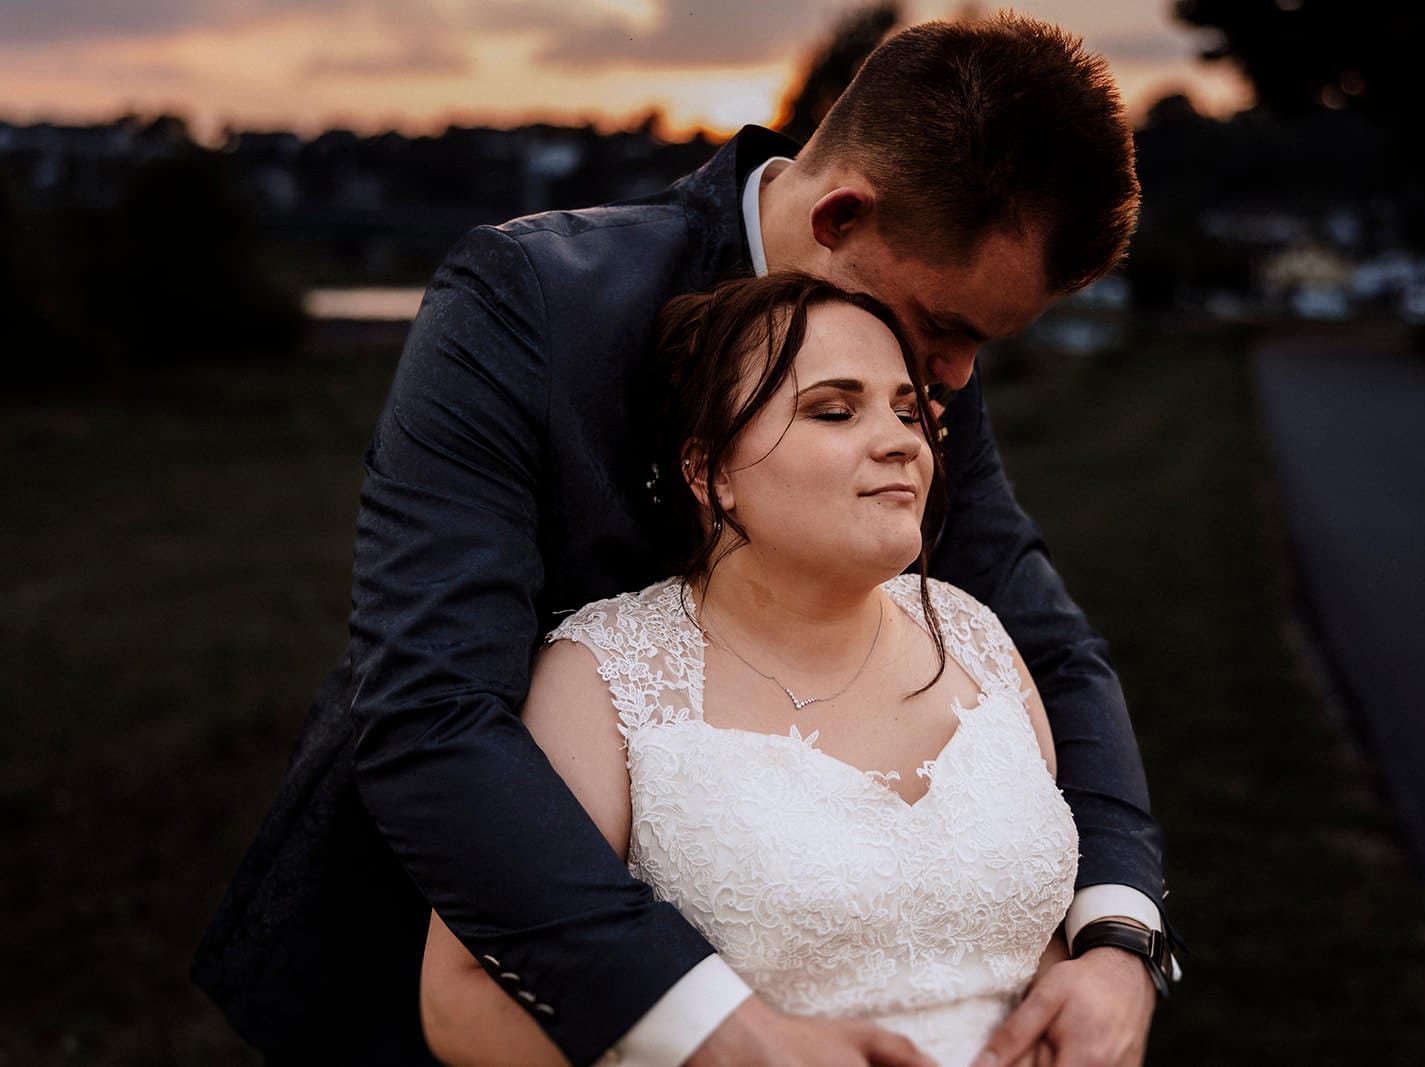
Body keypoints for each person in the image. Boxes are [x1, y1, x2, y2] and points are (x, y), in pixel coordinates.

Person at [192, 12, 1174, 1067]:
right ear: (842, 214)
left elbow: (1050, 648)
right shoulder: (529, 303)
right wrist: (710, 1023)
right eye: (947, 331)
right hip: (467, 970)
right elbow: (431, 709)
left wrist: (1120, 934)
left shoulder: (911, 354)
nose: (951, 384)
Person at [420, 270, 1082, 1067]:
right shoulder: (608, 678)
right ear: (711, 473)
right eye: (836, 410)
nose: (904, 439)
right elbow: (463, 997)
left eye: (909, 410)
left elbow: (1036, 939)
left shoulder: (976, 636)